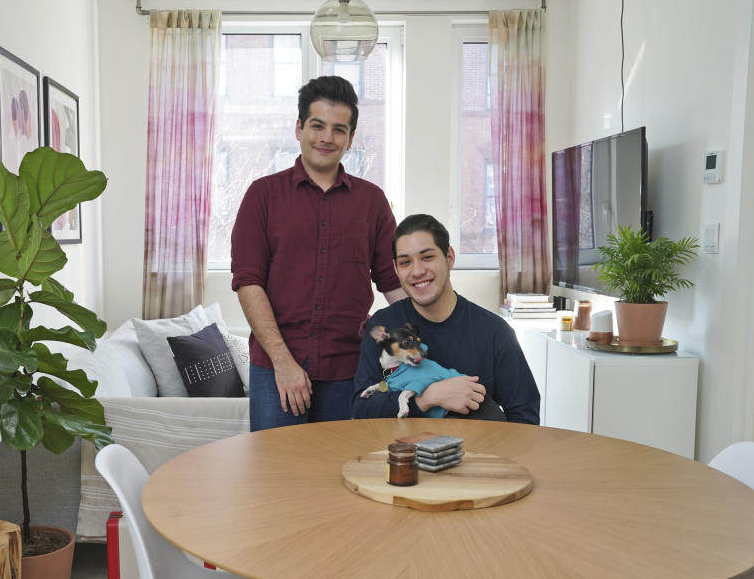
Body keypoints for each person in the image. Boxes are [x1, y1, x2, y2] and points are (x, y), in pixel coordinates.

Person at [231, 76, 406, 431]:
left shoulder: (372, 201)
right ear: (299, 128)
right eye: (317, 125)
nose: (327, 138)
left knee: (341, 475)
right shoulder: (262, 196)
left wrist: (429, 338)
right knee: (277, 478)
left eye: (339, 129)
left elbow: (394, 284)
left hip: (350, 372)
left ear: (351, 138)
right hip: (276, 370)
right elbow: (249, 283)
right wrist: (283, 362)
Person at [351, 214, 541, 424]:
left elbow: (525, 417)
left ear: (449, 257)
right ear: (396, 269)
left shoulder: (494, 332)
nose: (417, 271)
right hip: (401, 453)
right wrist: (427, 398)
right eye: (405, 262)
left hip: (475, 451)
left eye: (427, 257)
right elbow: (361, 410)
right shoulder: (383, 325)